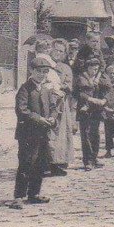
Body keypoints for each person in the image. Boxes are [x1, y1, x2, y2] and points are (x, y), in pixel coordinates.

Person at [12, 57, 56, 207]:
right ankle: (19, 196)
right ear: (31, 71)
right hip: (28, 134)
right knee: (26, 163)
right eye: (39, 71)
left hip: (43, 133)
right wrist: (39, 119)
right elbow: (22, 110)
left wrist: (52, 117)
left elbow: (53, 107)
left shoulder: (46, 89)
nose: (42, 74)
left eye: (45, 72)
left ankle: (34, 193)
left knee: (40, 163)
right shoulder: (25, 89)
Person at [47, 39, 76, 175]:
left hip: (60, 104)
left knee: (60, 133)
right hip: (45, 102)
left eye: (61, 51)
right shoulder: (45, 63)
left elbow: (69, 86)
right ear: (50, 49)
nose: (58, 53)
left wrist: (61, 86)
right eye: (56, 50)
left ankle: (58, 161)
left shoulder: (66, 68)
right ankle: (45, 162)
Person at [75, 58, 106, 170]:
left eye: (97, 69)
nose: (95, 71)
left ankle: (94, 158)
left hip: (96, 110)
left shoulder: (98, 79)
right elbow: (78, 94)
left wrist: (104, 100)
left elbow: (105, 90)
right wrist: (91, 99)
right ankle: (88, 161)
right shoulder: (81, 78)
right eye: (93, 69)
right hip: (85, 111)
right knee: (86, 135)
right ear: (87, 68)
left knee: (95, 134)